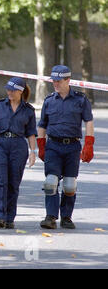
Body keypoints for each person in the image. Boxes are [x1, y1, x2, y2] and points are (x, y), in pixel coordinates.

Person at [37, 65, 94, 229]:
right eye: (53, 80)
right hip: (53, 145)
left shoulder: (80, 100)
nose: (55, 83)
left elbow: (89, 121)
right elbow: (42, 125)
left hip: (72, 146)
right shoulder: (49, 101)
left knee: (69, 185)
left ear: (68, 80)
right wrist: (41, 145)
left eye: (58, 81)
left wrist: (89, 144)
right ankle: (50, 216)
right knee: (50, 182)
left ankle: (66, 217)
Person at [0, 77, 37, 229]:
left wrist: (33, 152)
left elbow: (31, 133)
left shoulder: (29, 110)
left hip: (19, 146)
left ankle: (9, 217)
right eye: (8, 89)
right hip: (0, 145)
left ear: (21, 91)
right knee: (1, 181)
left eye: (13, 90)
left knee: (14, 183)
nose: (9, 92)